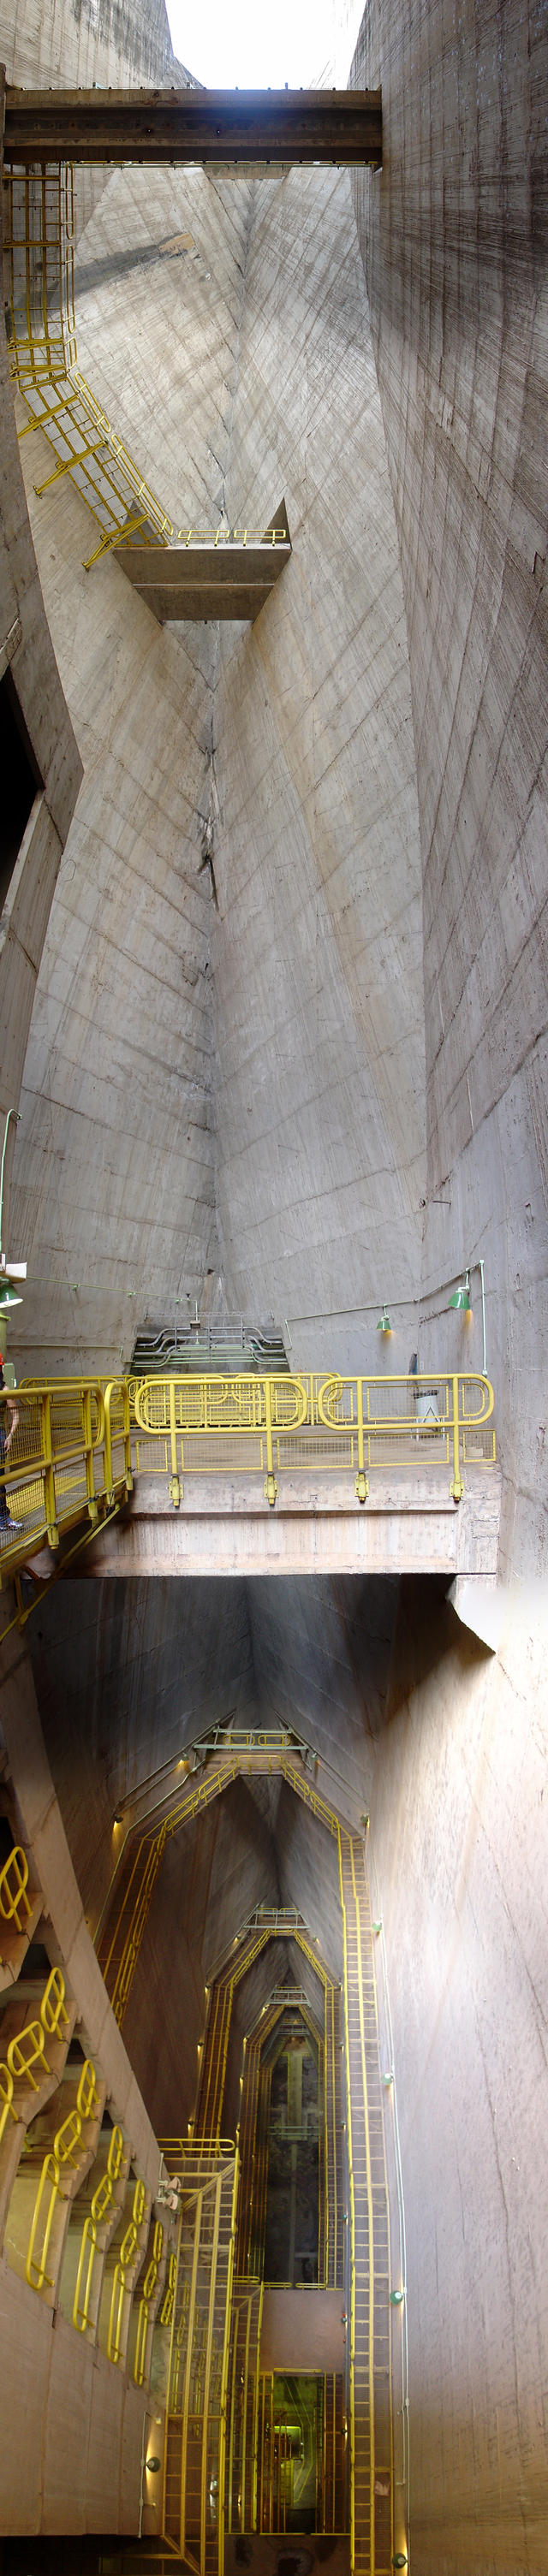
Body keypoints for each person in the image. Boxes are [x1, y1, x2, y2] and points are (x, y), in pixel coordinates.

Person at [0, 1357, 22, 1530]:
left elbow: (16, 1415)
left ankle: (2, 1518)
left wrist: (10, 1436)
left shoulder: (4, 1390)